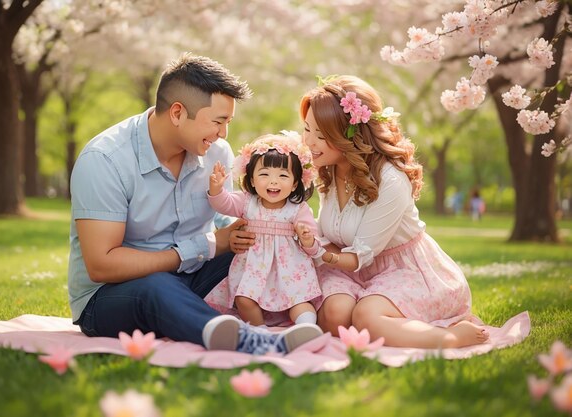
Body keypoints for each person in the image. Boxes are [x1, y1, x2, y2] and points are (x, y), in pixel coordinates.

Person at [67, 53, 322, 355]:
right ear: (177, 113)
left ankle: (300, 316)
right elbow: (102, 265)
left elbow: (225, 224)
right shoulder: (105, 160)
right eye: (218, 122)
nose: (223, 133)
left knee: (266, 247)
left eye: (227, 122)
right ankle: (244, 339)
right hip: (115, 295)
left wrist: (254, 234)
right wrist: (205, 246)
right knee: (157, 286)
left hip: (194, 275)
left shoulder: (217, 153)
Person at [232, 75, 490, 349]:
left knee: (366, 316)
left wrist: (317, 252)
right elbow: (325, 230)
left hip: (403, 269)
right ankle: (382, 324)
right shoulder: (327, 170)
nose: (308, 142)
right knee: (333, 315)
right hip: (347, 269)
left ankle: (449, 338)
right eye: (307, 130)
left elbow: (360, 254)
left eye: (321, 136)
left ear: (349, 137)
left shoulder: (390, 179)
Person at [205, 132, 323, 327]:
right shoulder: (247, 202)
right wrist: (217, 191)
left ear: (295, 184)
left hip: (290, 269)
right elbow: (224, 204)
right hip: (254, 269)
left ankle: (307, 326)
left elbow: (315, 244)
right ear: (251, 180)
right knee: (244, 299)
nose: (273, 181)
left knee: (299, 303)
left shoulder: (297, 209)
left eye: (283, 175)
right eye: (264, 174)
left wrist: (307, 239)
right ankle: (259, 331)